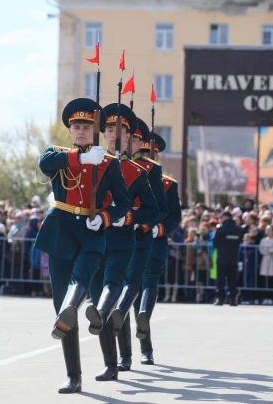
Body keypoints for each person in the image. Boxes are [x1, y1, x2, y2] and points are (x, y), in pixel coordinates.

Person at [33, 97, 131, 394]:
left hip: (91, 232)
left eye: (87, 127)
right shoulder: (59, 154)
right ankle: (73, 375)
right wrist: (80, 159)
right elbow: (43, 164)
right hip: (61, 229)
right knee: (60, 302)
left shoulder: (109, 163)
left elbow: (124, 203)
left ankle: (72, 309)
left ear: (95, 130)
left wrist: (104, 216)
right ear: (70, 131)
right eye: (76, 127)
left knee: (80, 282)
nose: (81, 131)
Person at [86, 105, 158, 382]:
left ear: (129, 137)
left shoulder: (137, 171)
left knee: (111, 296)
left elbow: (153, 210)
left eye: (121, 132)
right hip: (93, 239)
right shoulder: (92, 163)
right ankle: (115, 359)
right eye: (109, 130)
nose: (115, 136)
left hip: (125, 239)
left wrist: (127, 216)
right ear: (103, 134)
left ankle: (116, 361)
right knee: (100, 302)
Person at [114, 119, 169, 373]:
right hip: (114, 237)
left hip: (141, 236)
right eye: (130, 137)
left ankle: (145, 349)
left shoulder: (150, 169)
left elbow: (160, 208)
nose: (133, 143)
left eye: (137, 139)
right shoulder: (109, 163)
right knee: (118, 295)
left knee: (133, 292)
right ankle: (124, 356)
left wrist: (142, 223)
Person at [132, 132, 180, 366]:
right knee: (133, 291)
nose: (146, 158)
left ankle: (145, 345)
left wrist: (158, 229)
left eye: (150, 154)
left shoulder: (169, 185)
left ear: (157, 157)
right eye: (142, 153)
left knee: (149, 284)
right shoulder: (128, 176)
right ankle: (134, 351)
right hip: (131, 240)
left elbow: (174, 218)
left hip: (155, 241)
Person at [213, 211, 243, 306]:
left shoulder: (221, 229)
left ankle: (220, 299)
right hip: (234, 258)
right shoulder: (238, 229)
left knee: (220, 279)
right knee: (232, 280)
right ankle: (233, 299)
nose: (220, 219)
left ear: (226, 217)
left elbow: (215, 243)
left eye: (221, 217)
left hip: (222, 257)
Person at [259, 225, 273, 305]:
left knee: (271, 279)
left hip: (272, 259)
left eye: (269, 230)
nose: (268, 231)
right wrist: (268, 251)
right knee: (265, 279)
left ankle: (271, 297)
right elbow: (261, 249)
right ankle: (265, 297)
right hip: (265, 259)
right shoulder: (263, 240)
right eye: (267, 230)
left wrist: (268, 250)